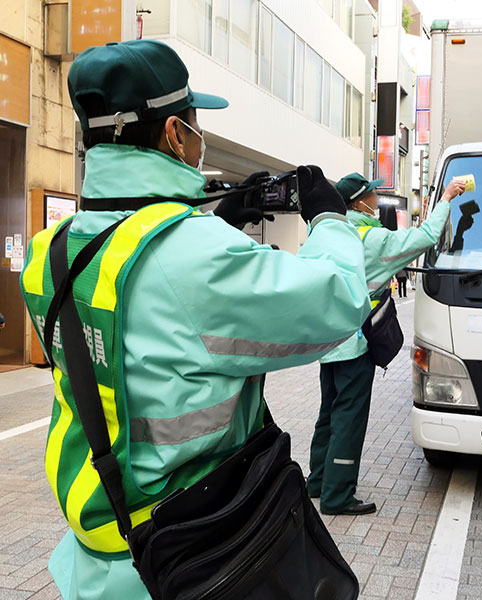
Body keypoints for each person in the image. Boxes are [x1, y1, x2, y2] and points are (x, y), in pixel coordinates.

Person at [19, 39, 369, 600]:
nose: (199, 136)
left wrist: (215, 224)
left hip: (99, 547)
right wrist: (331, 219)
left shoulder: (50, 250)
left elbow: (150, 322)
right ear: (176, 134)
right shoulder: (195, 254)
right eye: (195, 123)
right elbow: (341, 301)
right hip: (192, 547)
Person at [307, 173, 467, 515]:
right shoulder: (372, 238)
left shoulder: (326, 234)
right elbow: (425, 236)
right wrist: (445, 200)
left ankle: (318, 482)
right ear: (358, 203)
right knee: (349, 417)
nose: (377, 200)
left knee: (328, 412)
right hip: (355, 343)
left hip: (328, 341)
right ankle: (338, 495)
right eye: (372, 195)